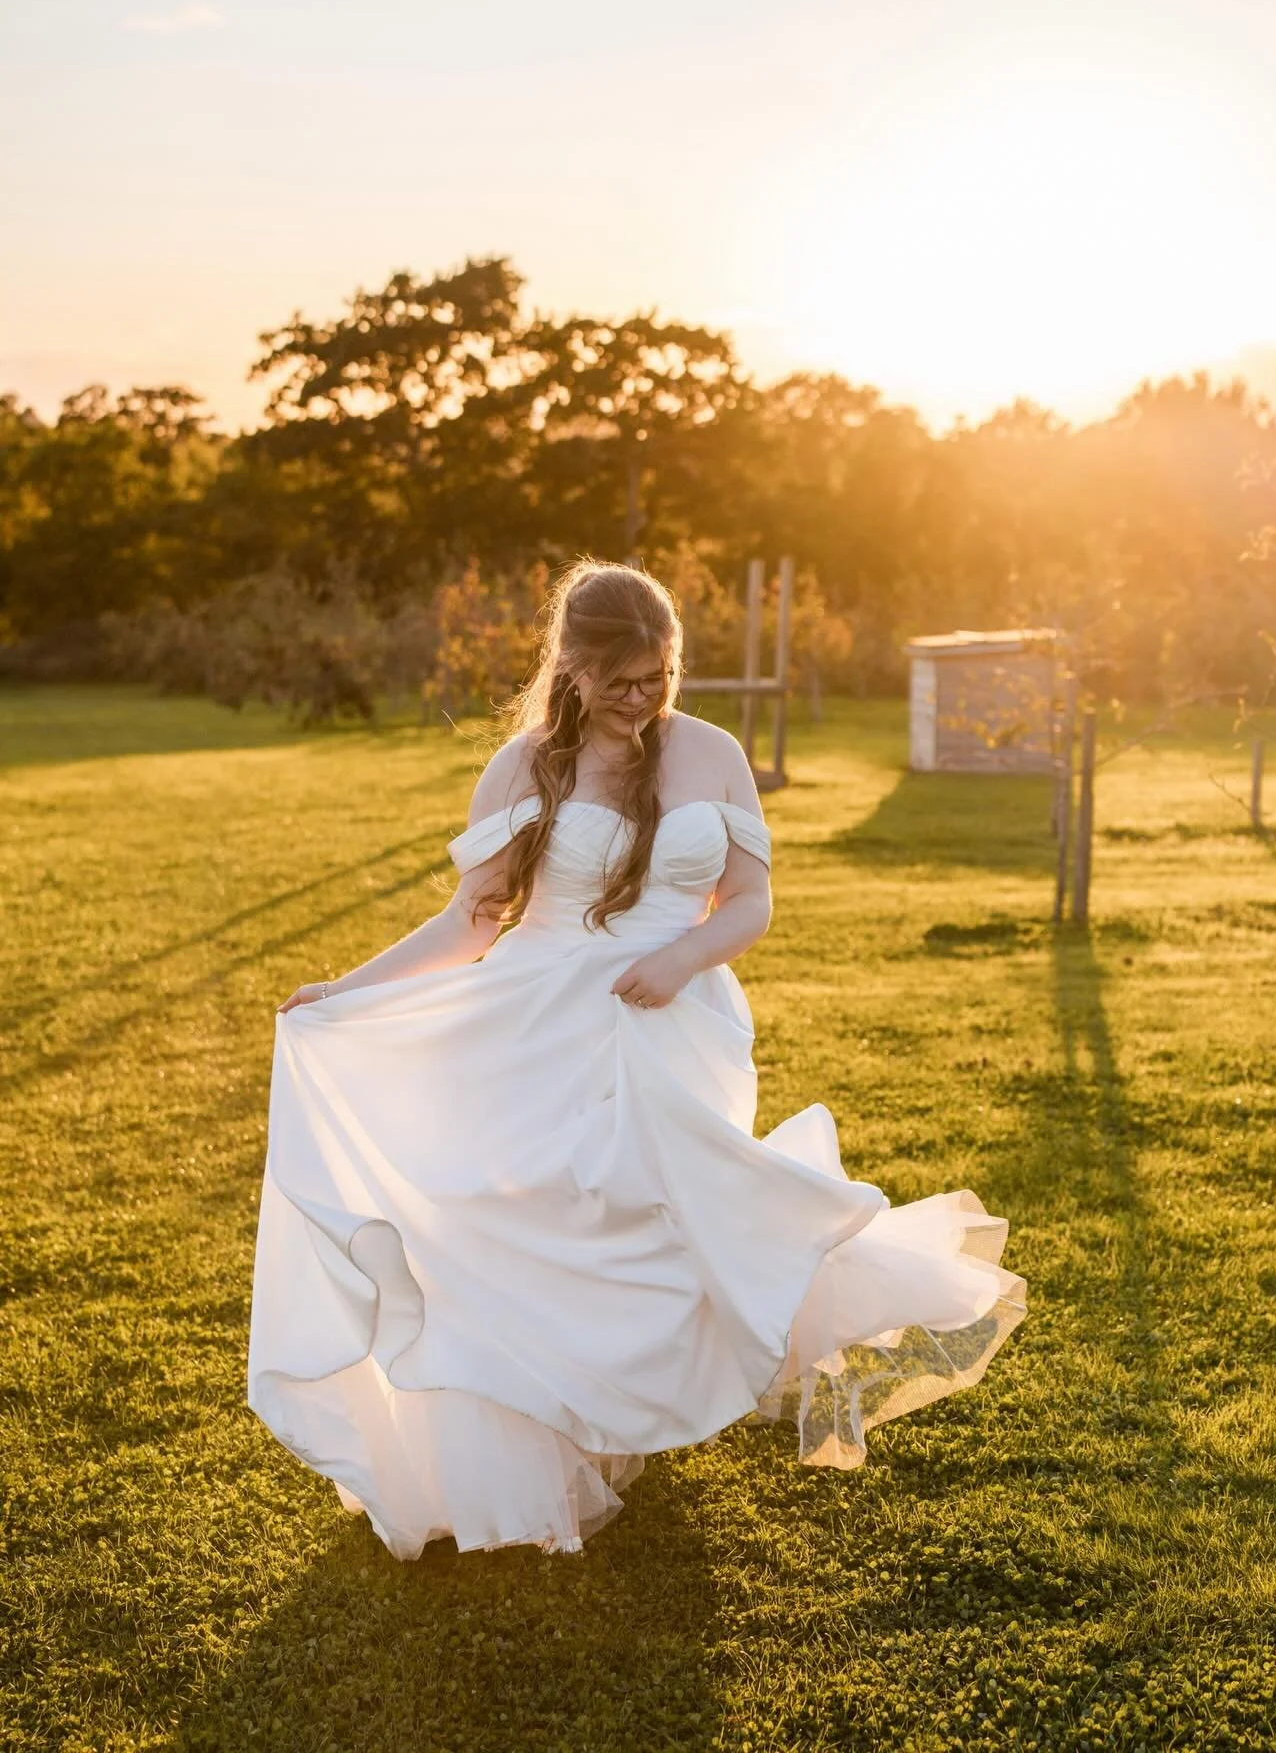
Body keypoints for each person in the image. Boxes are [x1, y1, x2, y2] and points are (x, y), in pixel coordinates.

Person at [248, 558, 1027, 1560]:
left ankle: (632, 1402)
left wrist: (680, 958)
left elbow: (750, 897)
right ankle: (541, 1440)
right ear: (570, 667)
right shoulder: (526, 767)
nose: (642, 698)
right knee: (529, 1219)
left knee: (651, 1219)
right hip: (533, 1023)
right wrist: (346, 993)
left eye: (657, 675)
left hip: (670, 1019)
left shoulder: (710, 752)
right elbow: (472, 918)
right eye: (619, 681)